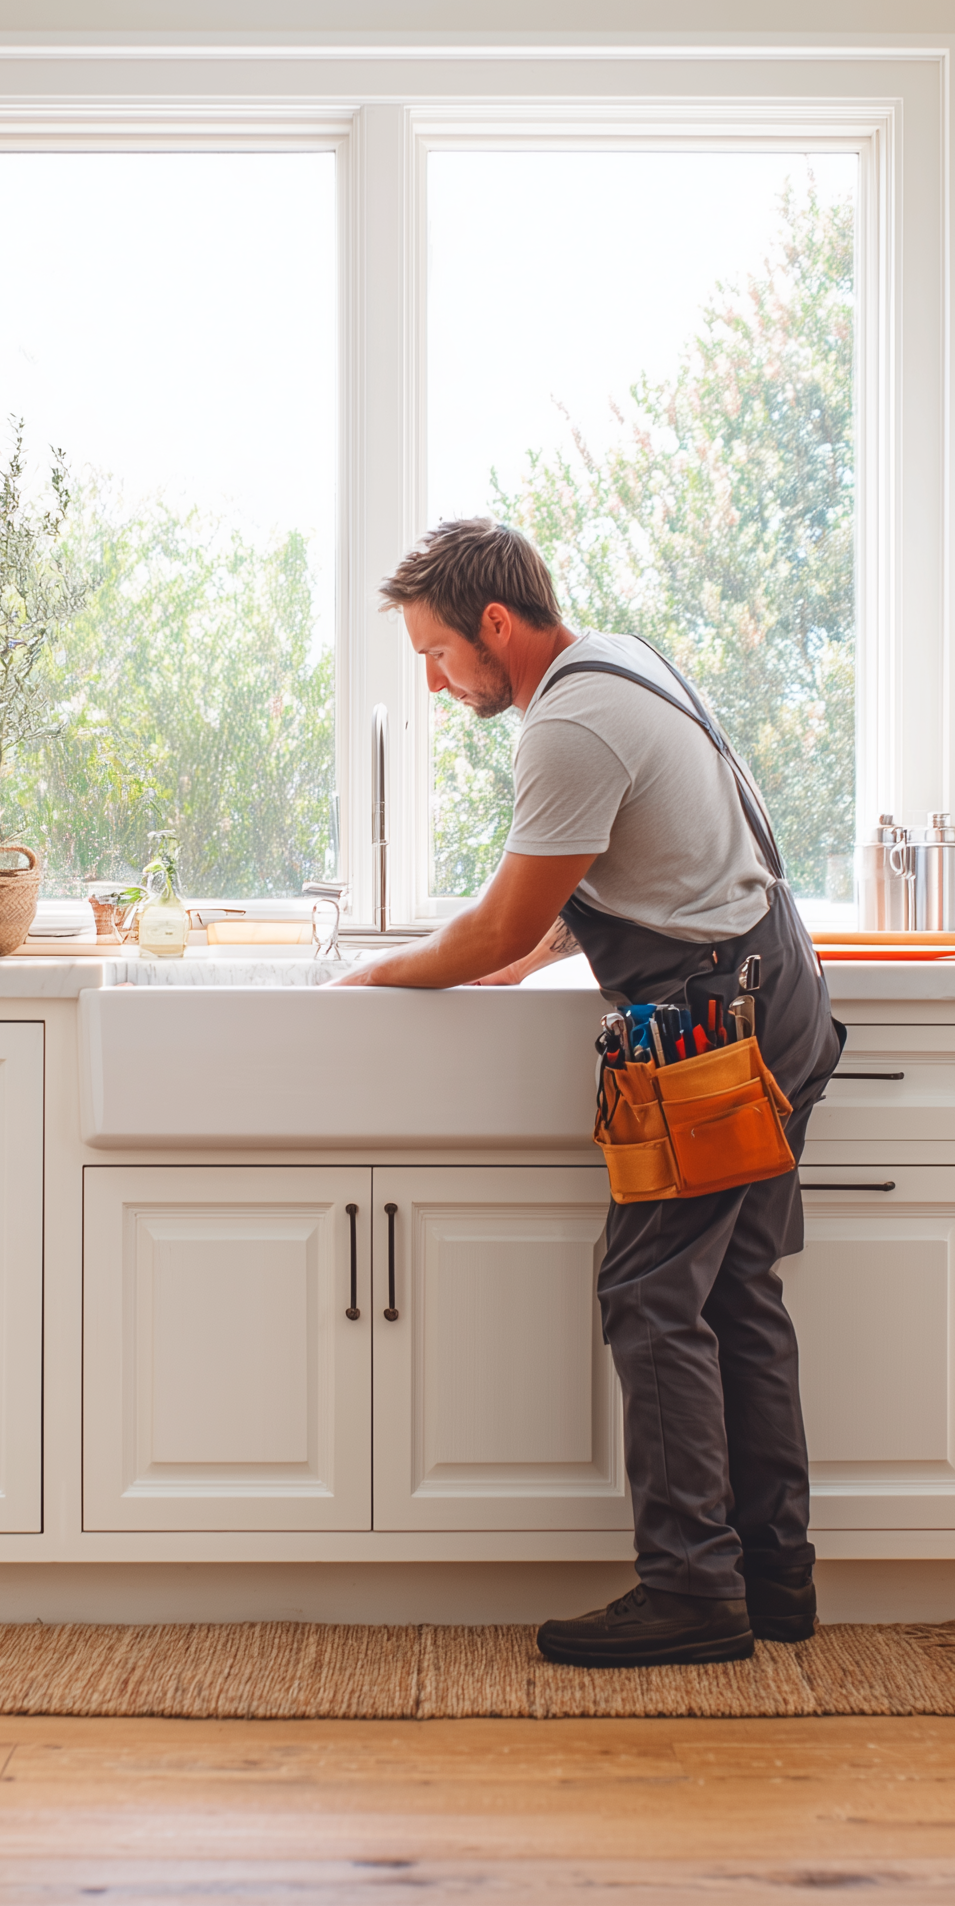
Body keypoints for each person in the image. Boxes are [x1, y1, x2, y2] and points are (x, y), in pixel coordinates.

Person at [328, 517, 842, 1669]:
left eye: (435, 651)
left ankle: (690, 1589)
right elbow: (631, 870)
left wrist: (377, 975)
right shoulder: (619, 661)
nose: (432, 676)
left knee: (648, 1287)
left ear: (493, 626)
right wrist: (533, 950)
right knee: (733, 1289)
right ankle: (773, 1582)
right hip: (776, 994)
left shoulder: (560, 725)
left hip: (712, 1021)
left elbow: (500, 920)